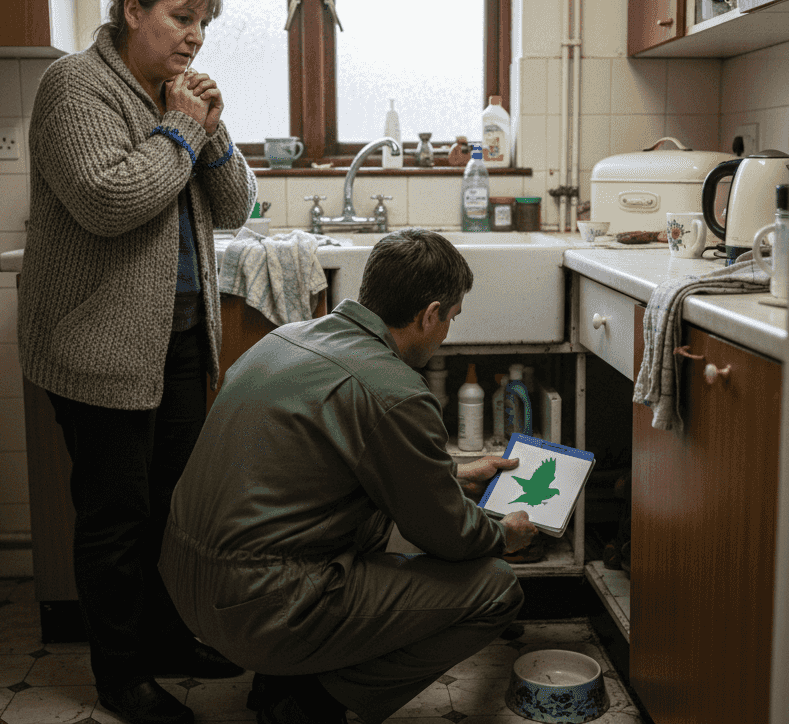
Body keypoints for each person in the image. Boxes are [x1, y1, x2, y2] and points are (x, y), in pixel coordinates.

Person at [159, 229, 539, 724]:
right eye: (450, 318)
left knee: (373, 519)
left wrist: (452, 473)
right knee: (497, 588)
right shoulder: (396, 389)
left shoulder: (282, 338)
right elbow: (450, 537)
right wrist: (502, 536)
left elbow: (321, 464)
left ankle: (284, 672)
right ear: (430, 314)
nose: (447, 331)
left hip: (185, 585)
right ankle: (314, 699)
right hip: (261, 608)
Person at [17, 0, 255, 722]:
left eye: (203, 25)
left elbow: (238, 206)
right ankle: (120, 674)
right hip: (98, 346)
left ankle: (166, 641)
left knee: (168, 510)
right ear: (131, 10)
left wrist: (210, 131)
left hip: (181, 336)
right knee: (115, 519)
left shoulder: (173, 95)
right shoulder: (75, 87)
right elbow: (110, 200)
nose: (195, 38)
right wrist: (184, 126)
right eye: (182, 18)